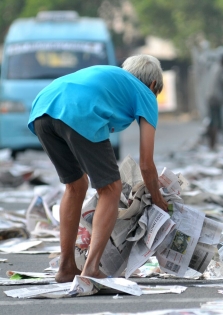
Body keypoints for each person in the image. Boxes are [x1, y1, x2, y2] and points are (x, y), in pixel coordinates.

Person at [27, 55, 169, 283]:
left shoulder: (112, 78)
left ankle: (66, 267)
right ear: (153, 85)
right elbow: (146, 164)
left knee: (75, 185)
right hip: (79, 110)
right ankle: (91, 267)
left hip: (43, 108)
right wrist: (158, 200)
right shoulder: (145, 94)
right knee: (111, 189)